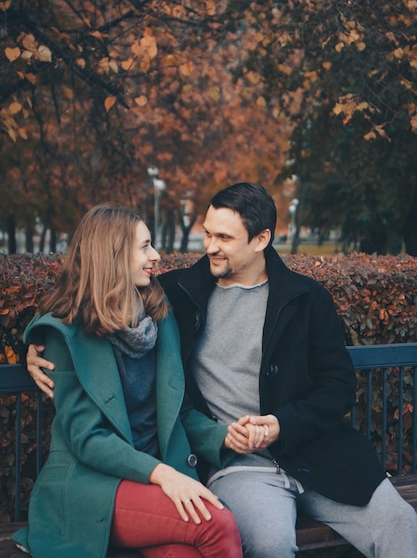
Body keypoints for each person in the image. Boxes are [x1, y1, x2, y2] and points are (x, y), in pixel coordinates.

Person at [27, 185, 417, 558]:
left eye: (225, 239)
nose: (210, 247)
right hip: (238, 466)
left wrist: (282, 424)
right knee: (269, 544)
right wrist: (39, 343)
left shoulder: (306, 298)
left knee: (402, 524)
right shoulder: (174, 295)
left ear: (261, 239)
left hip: (319, 454)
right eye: (208, 234)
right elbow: (92, 296)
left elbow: (339, 386)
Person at [14, 204, 243, 558]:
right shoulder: (65, 332)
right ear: (112, 255)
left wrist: (227, 436)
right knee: (217, 522)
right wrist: (163, 475)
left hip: (155, 479)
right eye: (144, 247)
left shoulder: (156, 314)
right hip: (93, 486)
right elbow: (88, 439)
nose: (155, 256)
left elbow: (175, 412)